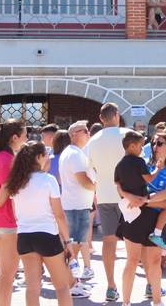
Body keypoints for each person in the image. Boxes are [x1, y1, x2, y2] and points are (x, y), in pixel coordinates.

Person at [0, 142, 77, 306]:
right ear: (39, 157)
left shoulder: (16, 183)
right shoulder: (48, 180)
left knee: (32, 288)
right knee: (62, 286)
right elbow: (59, 215)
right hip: (47, 235)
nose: (48, 157)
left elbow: (15, 214)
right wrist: (68, 241)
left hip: (25, 237)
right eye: (45, 154)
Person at [114, 130, 166, 306]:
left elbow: (118, 185)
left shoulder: (119, 165)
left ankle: (125, 302)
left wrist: (128, 196)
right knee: (154, 262)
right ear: (132, 146)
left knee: (131, 261)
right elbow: (148, 180)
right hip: (146, 210)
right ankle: (157, 301)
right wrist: (158, 168)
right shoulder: (139, 161)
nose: (142, 149)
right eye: (140, 145)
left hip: (131, 214)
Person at [84, 103, 131, 302]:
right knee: (135, 240)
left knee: (109, 240)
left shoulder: (92, 141)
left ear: (101, 118)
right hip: (129, 195)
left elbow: (88, 169)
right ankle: (148, 283)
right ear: (117, 116)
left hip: (104, 195)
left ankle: (111, 285)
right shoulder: (128, 135)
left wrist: (98, 183)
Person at [0, 119, 27, 305]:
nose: (26, 139)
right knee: (8, 274)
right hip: (8, 221)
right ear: (14, 137)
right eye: (25, 135)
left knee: (4, 274)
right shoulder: (9, 160)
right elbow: (4, 197)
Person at [59, 120, 96, 283]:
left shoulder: (72, 152)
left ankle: (70, 280)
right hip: (77, 206)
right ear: (74, 134)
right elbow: (84, 181)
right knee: (75, 244)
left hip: (75, 205)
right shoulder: (74, 154)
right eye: (85, 131)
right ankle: (69, 281)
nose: (88, 133)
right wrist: (97, 186)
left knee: (76, 243)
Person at [145, 133, 166, 249]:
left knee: (160, 260)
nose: (155, 146)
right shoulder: (145, 164)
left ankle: (157, 235)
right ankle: (157, 235)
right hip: (142, 209)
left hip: (155, 211)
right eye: (153, 143)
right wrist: (144, 200)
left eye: (159, 143)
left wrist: (146, 200)